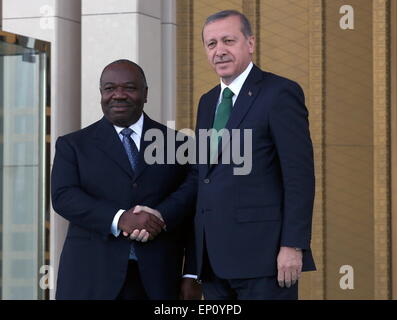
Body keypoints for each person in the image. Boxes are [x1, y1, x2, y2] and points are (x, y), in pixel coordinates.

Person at [134, 10, 316, 300]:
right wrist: (161, 214)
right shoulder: (207, 103)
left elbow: (299, 176)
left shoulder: (280, 93)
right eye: (212, 44)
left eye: (228, 41)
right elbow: (200, 177)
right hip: (214, 263)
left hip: (265, 260)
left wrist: (293, 245)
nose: (219, 51)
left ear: (250, 43)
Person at [51, 59, 201, 300]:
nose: (118, 95)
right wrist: (120, 219)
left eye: (129, 87)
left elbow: (194, 207)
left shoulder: (179, 144)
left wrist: (192, 274)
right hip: (91, 279)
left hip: (159, 279)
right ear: (101, 94)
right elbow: (63, 197)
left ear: (145, 93)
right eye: (109, 88)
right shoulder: (73, 145)